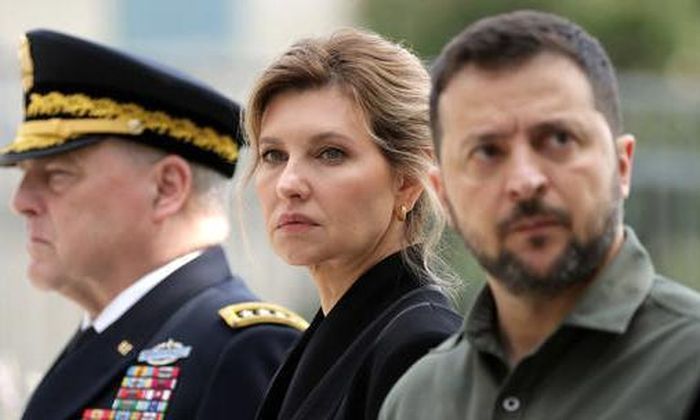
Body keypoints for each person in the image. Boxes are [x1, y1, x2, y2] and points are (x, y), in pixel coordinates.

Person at [380, 10, 700, 420]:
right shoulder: (415, 401)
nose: (525, 181)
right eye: (487, 152)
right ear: (443, 195)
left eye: (558, 139)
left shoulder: (688, 364)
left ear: (622, 165)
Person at [0, 29, 306, 420]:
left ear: (166, 188)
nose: (21, 202)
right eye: (25, 174)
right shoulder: (109, 337)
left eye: (58, 175)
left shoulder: (243, 350)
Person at [243, 28, 463, 420]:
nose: (288, 184)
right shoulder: (327, 337)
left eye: (330, 153)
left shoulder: (420, 348)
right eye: (274, 155)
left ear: (408, 182)